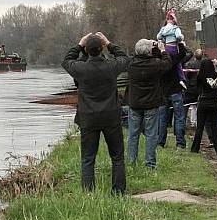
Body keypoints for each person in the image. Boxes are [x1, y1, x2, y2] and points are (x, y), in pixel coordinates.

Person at [61, 32, 129, 193]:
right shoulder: (111, 67)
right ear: (101, 49)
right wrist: (110, 43)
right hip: (111, 116)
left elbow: (66, 61)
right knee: (117, 157)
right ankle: (118, 192)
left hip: (88, 117)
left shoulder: (80, 68)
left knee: (88, 158)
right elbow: (125, 58)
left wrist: (79, 44)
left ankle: (89, 193)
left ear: (86, 49)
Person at [126, 38, 173, 169]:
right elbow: (168, 63)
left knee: (133, 134)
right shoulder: (155, 64)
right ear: (149, 52)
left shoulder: (131, 64)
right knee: (151, 134)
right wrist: (162, 49)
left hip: (135, 103)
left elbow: (127, 56)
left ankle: (131, 162)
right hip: (151, 103)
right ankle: (150, 163)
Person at [158, 40, 191, 150]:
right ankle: (180, 143)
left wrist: (159, 45)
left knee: (162, 118)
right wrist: (180, 43)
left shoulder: (160, 61)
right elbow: (183, 54)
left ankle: (160, 142)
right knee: (179, 117)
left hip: (163, 91)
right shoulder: (174, 60)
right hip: (175, 90)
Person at [190, 57, 217, 156]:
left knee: (200, 127)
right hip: (214, 102)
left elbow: (197, 89)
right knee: (215, 127)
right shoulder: (215, 75)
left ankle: (195, 148)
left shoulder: (200, 77)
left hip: (203, 101)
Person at [157, 9, 185, 86]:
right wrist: (180, 39)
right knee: (177, 63)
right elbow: (179, 37)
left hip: (166, 47)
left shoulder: (163, 29)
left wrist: (163, 40)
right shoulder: (175, 28)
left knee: (166, 61)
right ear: (174, 20)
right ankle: (182, 79)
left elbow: (158, 36)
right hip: (173, 47)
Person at [183, 49, 203, 126]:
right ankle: (198, 122)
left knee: (186, 106)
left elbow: (187, 76)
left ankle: (184, 123)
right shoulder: (204, 64)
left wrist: (186, 86)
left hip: (191, 87)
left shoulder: (189, 64)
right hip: (200, 88)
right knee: (198, 106)